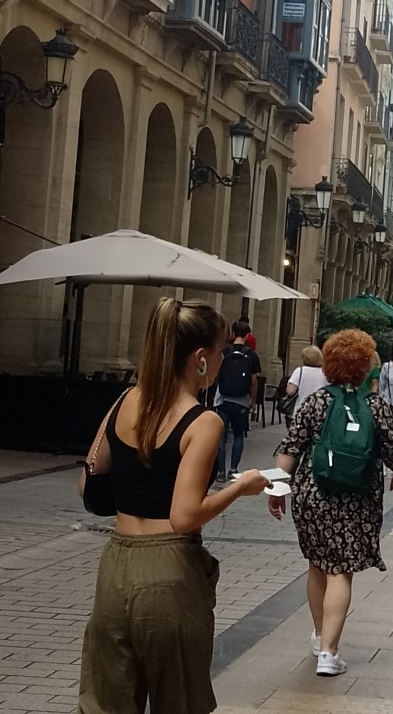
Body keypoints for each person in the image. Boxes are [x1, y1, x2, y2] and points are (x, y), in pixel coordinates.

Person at [78, 298, 270, 714]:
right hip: (168, 570)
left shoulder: (126, 400)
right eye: (219, 351)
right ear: (200, 358)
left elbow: (87, 481)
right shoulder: (203, 421)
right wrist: (241, 487)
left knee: (106, 701)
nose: (223, 360)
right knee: (179, 699)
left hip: (115, 566)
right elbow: (184, 516)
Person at [268, 329, 393, 677]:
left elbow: (290, 448)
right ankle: (329, 654)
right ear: (365, 366)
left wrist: (275, 488)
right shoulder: (375, 406)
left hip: (313, 495)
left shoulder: (315, 402)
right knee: (341, 571)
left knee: (317, 565)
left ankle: (320, 637)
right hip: (357, 498)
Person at [214, 320, 260, 482]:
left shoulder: (225, 351)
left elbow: (216, 373)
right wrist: (253, 401)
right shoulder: (251, 355)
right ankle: (233, 469)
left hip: (223, 399)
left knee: (221, 437)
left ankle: (220, 471)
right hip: (241, 401)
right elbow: (254, 381)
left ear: (233, 334)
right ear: (247, 336)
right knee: (239, 435)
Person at [285, 345, 327, 417]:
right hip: (320, 411)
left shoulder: (300, 371)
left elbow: (290, 391)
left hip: (301, 410)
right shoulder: (325, 373)